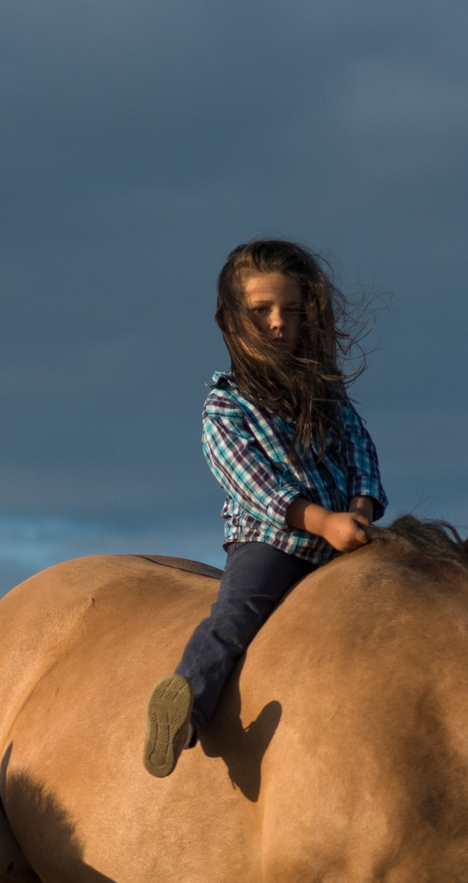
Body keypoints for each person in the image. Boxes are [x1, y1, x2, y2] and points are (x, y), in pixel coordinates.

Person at [144, 239, 387, 778]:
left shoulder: (330, 397)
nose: (279, 322)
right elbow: (257, 485)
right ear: (231, 319)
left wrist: (361, 509)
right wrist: (324, 523)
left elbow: (361, 453)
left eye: (292, 309)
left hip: (348, 534)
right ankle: (186, 706)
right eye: (261, 310)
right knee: (235, 617)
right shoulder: (225, 406)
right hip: (274, 541)